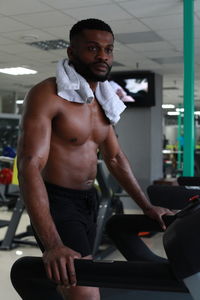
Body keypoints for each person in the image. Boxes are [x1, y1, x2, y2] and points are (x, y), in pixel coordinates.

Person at [17, 18, 173, 300]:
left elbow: (114, 158)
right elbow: (30, 163)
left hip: (89, 200)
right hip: (58, 203)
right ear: (71, 52)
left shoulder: (103, 98)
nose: (103, 56)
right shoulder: (46, 94)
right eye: (92, 48)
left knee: (73, 283)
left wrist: (147, 207)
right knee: (85, 292)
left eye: (108, 49)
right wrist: (53, 244)